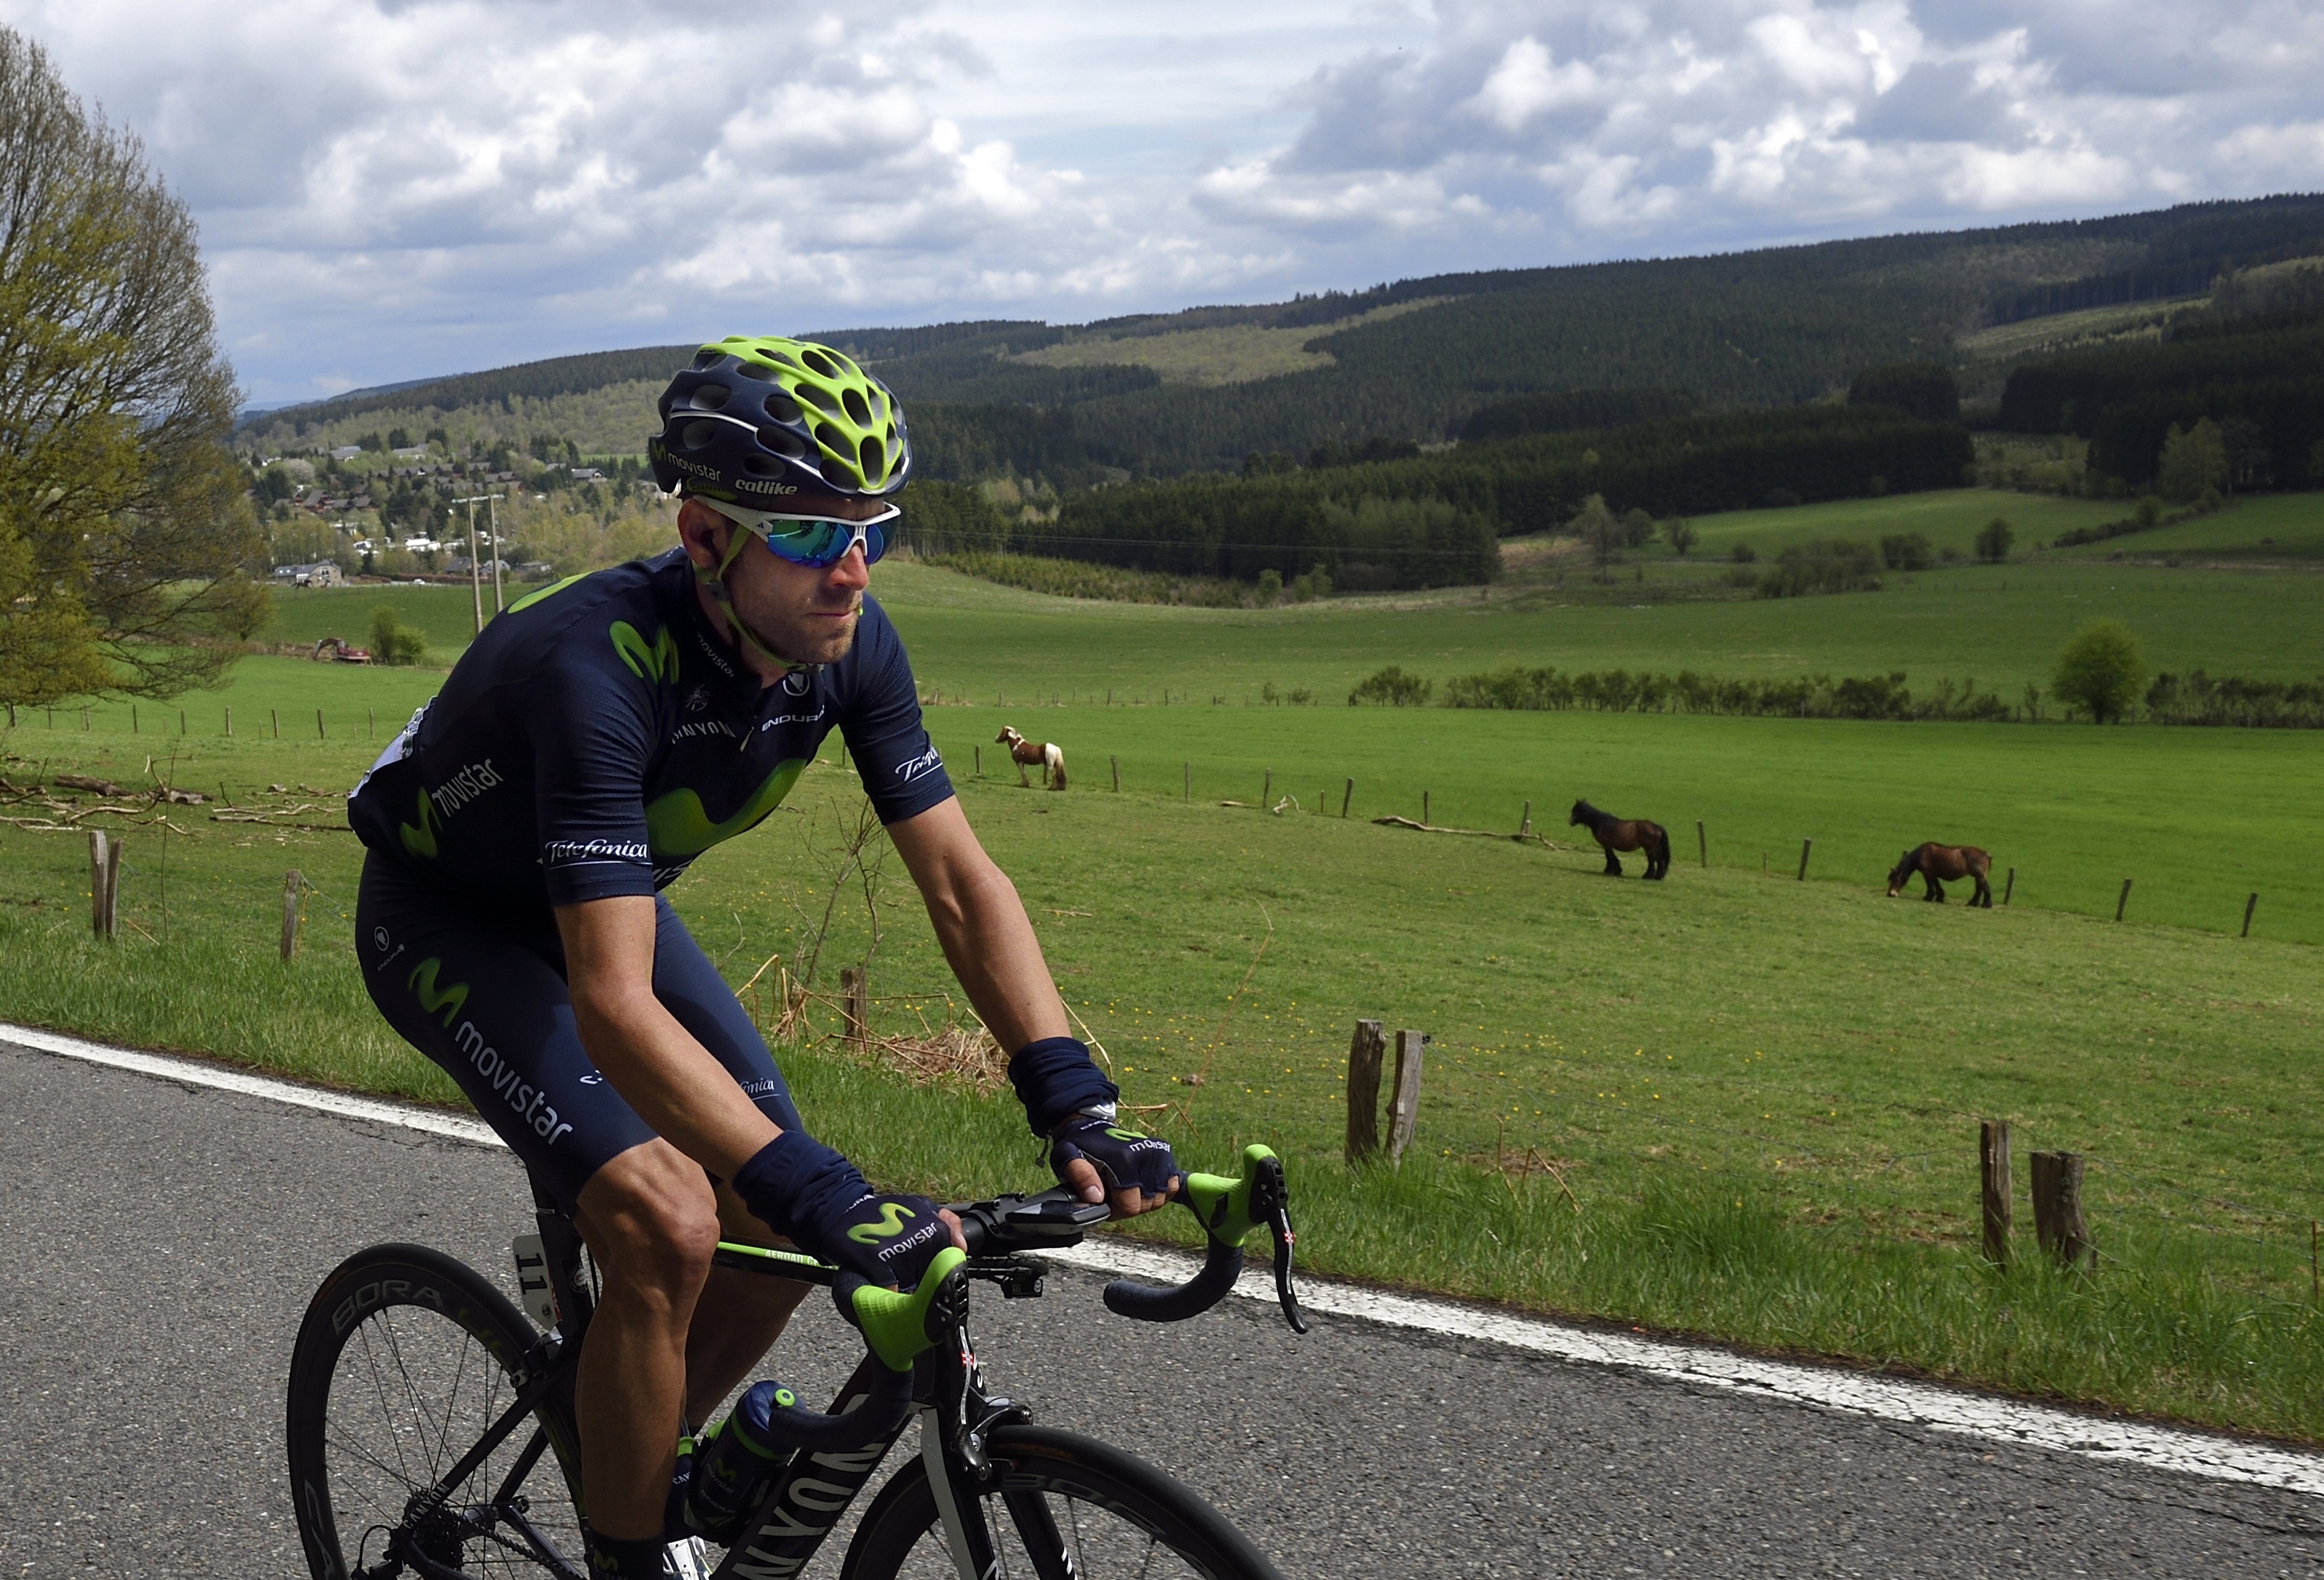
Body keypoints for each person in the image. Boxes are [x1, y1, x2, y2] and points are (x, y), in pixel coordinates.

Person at [349, 335, 1182, 1580]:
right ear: (704, 539)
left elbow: (959, 882)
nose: (851, 569)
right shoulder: (597, 673)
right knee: (675, 1222)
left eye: (874, 531)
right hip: (449, 922)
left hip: (602, 909)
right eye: (808, 536)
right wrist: (813, 1182)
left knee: (779, 1226)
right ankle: (632, 1555)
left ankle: (640, 1450)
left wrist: (1072, 1091)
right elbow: (614, 1005)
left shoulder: (844, 644)